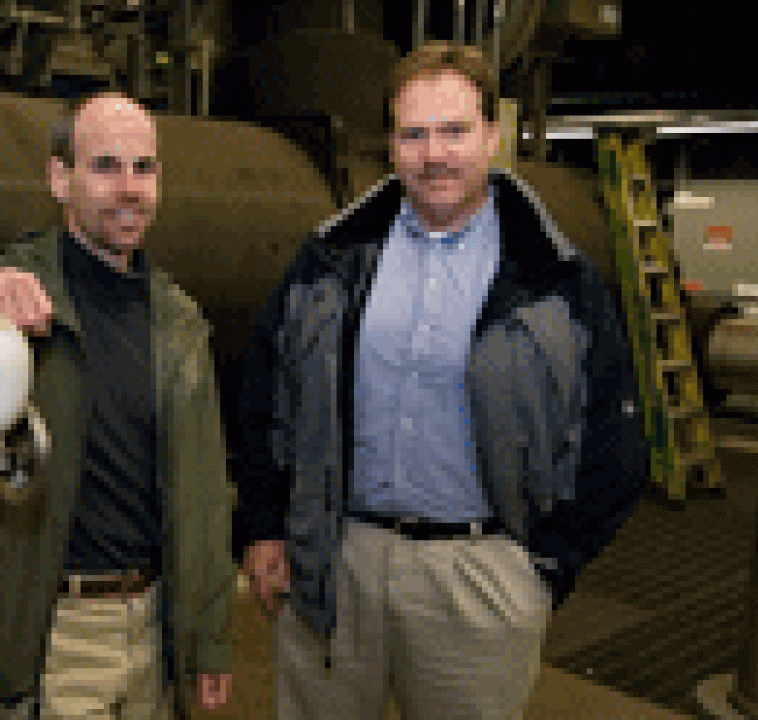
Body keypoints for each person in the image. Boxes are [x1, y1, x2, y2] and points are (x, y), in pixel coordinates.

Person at [231, 42, 649, 720]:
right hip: (339, 562)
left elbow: (615, 437)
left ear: (491, 135)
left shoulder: (552, 277)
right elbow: (268, 393)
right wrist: (264, 527)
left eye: (455, 131)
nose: (434, 154)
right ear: (390, 145)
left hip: (479, 578)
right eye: (414, 134)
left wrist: (542, 569)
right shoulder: (333, 259)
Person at [0, 89, 235, 720]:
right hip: (61, 634)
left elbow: (203, 494)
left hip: (153, 630)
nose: (129, 188)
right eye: (106, 167)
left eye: (144, 168)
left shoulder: (178, 320)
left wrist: (206, 636)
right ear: (61, 178)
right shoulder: (18, 292)